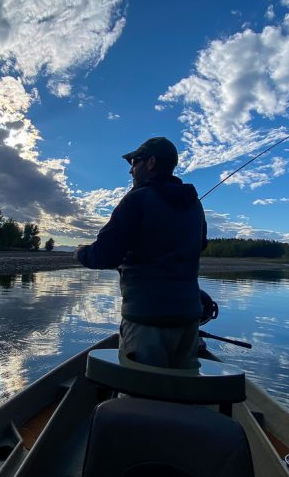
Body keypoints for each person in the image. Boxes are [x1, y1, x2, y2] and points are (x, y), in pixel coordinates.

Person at [75, 137, 207, 369]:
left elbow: (104, 255)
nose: (130, 170)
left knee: (139, 397)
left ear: (151, 162)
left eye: (134, 162)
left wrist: (80, 253)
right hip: (189, 318)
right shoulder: (195, 205)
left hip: (147, 320)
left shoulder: (136, 199)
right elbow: (201, 245)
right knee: (184, 395)